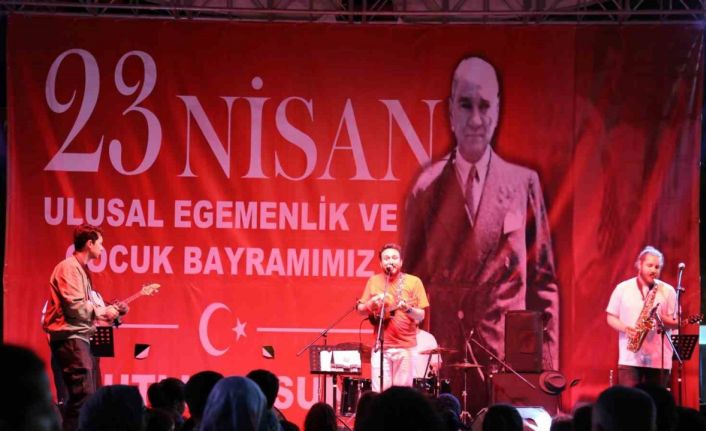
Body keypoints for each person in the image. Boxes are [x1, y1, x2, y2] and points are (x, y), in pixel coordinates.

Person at [402, 56, 559, 408]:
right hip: (445, 355)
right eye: (465, 104)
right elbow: (411, 280)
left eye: (484, 105)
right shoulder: (426, 188)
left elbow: (543, 283)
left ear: (498, 110)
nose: (475, 119)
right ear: (450, 112)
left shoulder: (523, 184)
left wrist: (547, 370)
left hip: (504, 356)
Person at [42, 223, 128, 431]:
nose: (103, 248)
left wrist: (112, 311)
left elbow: (87, 307)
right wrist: (101, 311)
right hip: (71, 338)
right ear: (89, 243)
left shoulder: (81, 270)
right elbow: (75, 307)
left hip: (80, 337)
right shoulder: (69, 268)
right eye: (100, 243)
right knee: (83, 396)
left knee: (85, 397)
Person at [357, 243, 429, 392]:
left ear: (401, 262)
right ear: (381, 263)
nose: (390, 261)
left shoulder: (414, 281)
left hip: (405, 347)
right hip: (380, 347)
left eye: (394, 258)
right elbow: (360, 310)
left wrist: (407, 309)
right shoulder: (373, 281)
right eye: (387, 258)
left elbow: (421, 315)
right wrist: (370, 304)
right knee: (379, 394)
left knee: (401, 396)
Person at [606, 246, 677, 387]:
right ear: (640, 264)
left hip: (659, 360)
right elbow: (611, 317)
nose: (653, 270)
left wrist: (661, 320)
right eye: (649, 265)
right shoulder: (623, 288)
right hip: (630, 358)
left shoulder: (668, 290)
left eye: (657, 267)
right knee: (630, 399)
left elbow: (674, 322)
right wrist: (626, 328)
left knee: (656, 399)